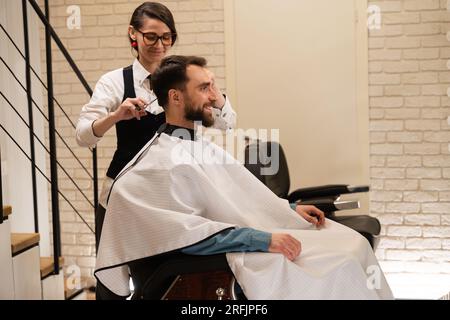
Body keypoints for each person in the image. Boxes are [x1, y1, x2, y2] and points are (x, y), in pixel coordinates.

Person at [95, 55, 393, 299]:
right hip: (208, 260)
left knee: (351, 244)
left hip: (234, 242)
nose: (215, 97)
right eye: (204, 88)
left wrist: (287, 210)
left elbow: (229, 199)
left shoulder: (194, 144)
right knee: (338, 262)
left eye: (213, 86)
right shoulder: (156, 166)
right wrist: (263, 239)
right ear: (175, 97)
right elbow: (184, 234)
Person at [76, 2, 236, 299]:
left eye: (167, 37)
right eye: (151, 36)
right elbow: (83, 137)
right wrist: (116, 116)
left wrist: (212, 91)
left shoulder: (184, 79)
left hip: (174, 199)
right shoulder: (114, 82)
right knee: (115, 285)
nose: (159, 45)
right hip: (124, 199)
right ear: (133, 35)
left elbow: (228, 123)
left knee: (172, 284)